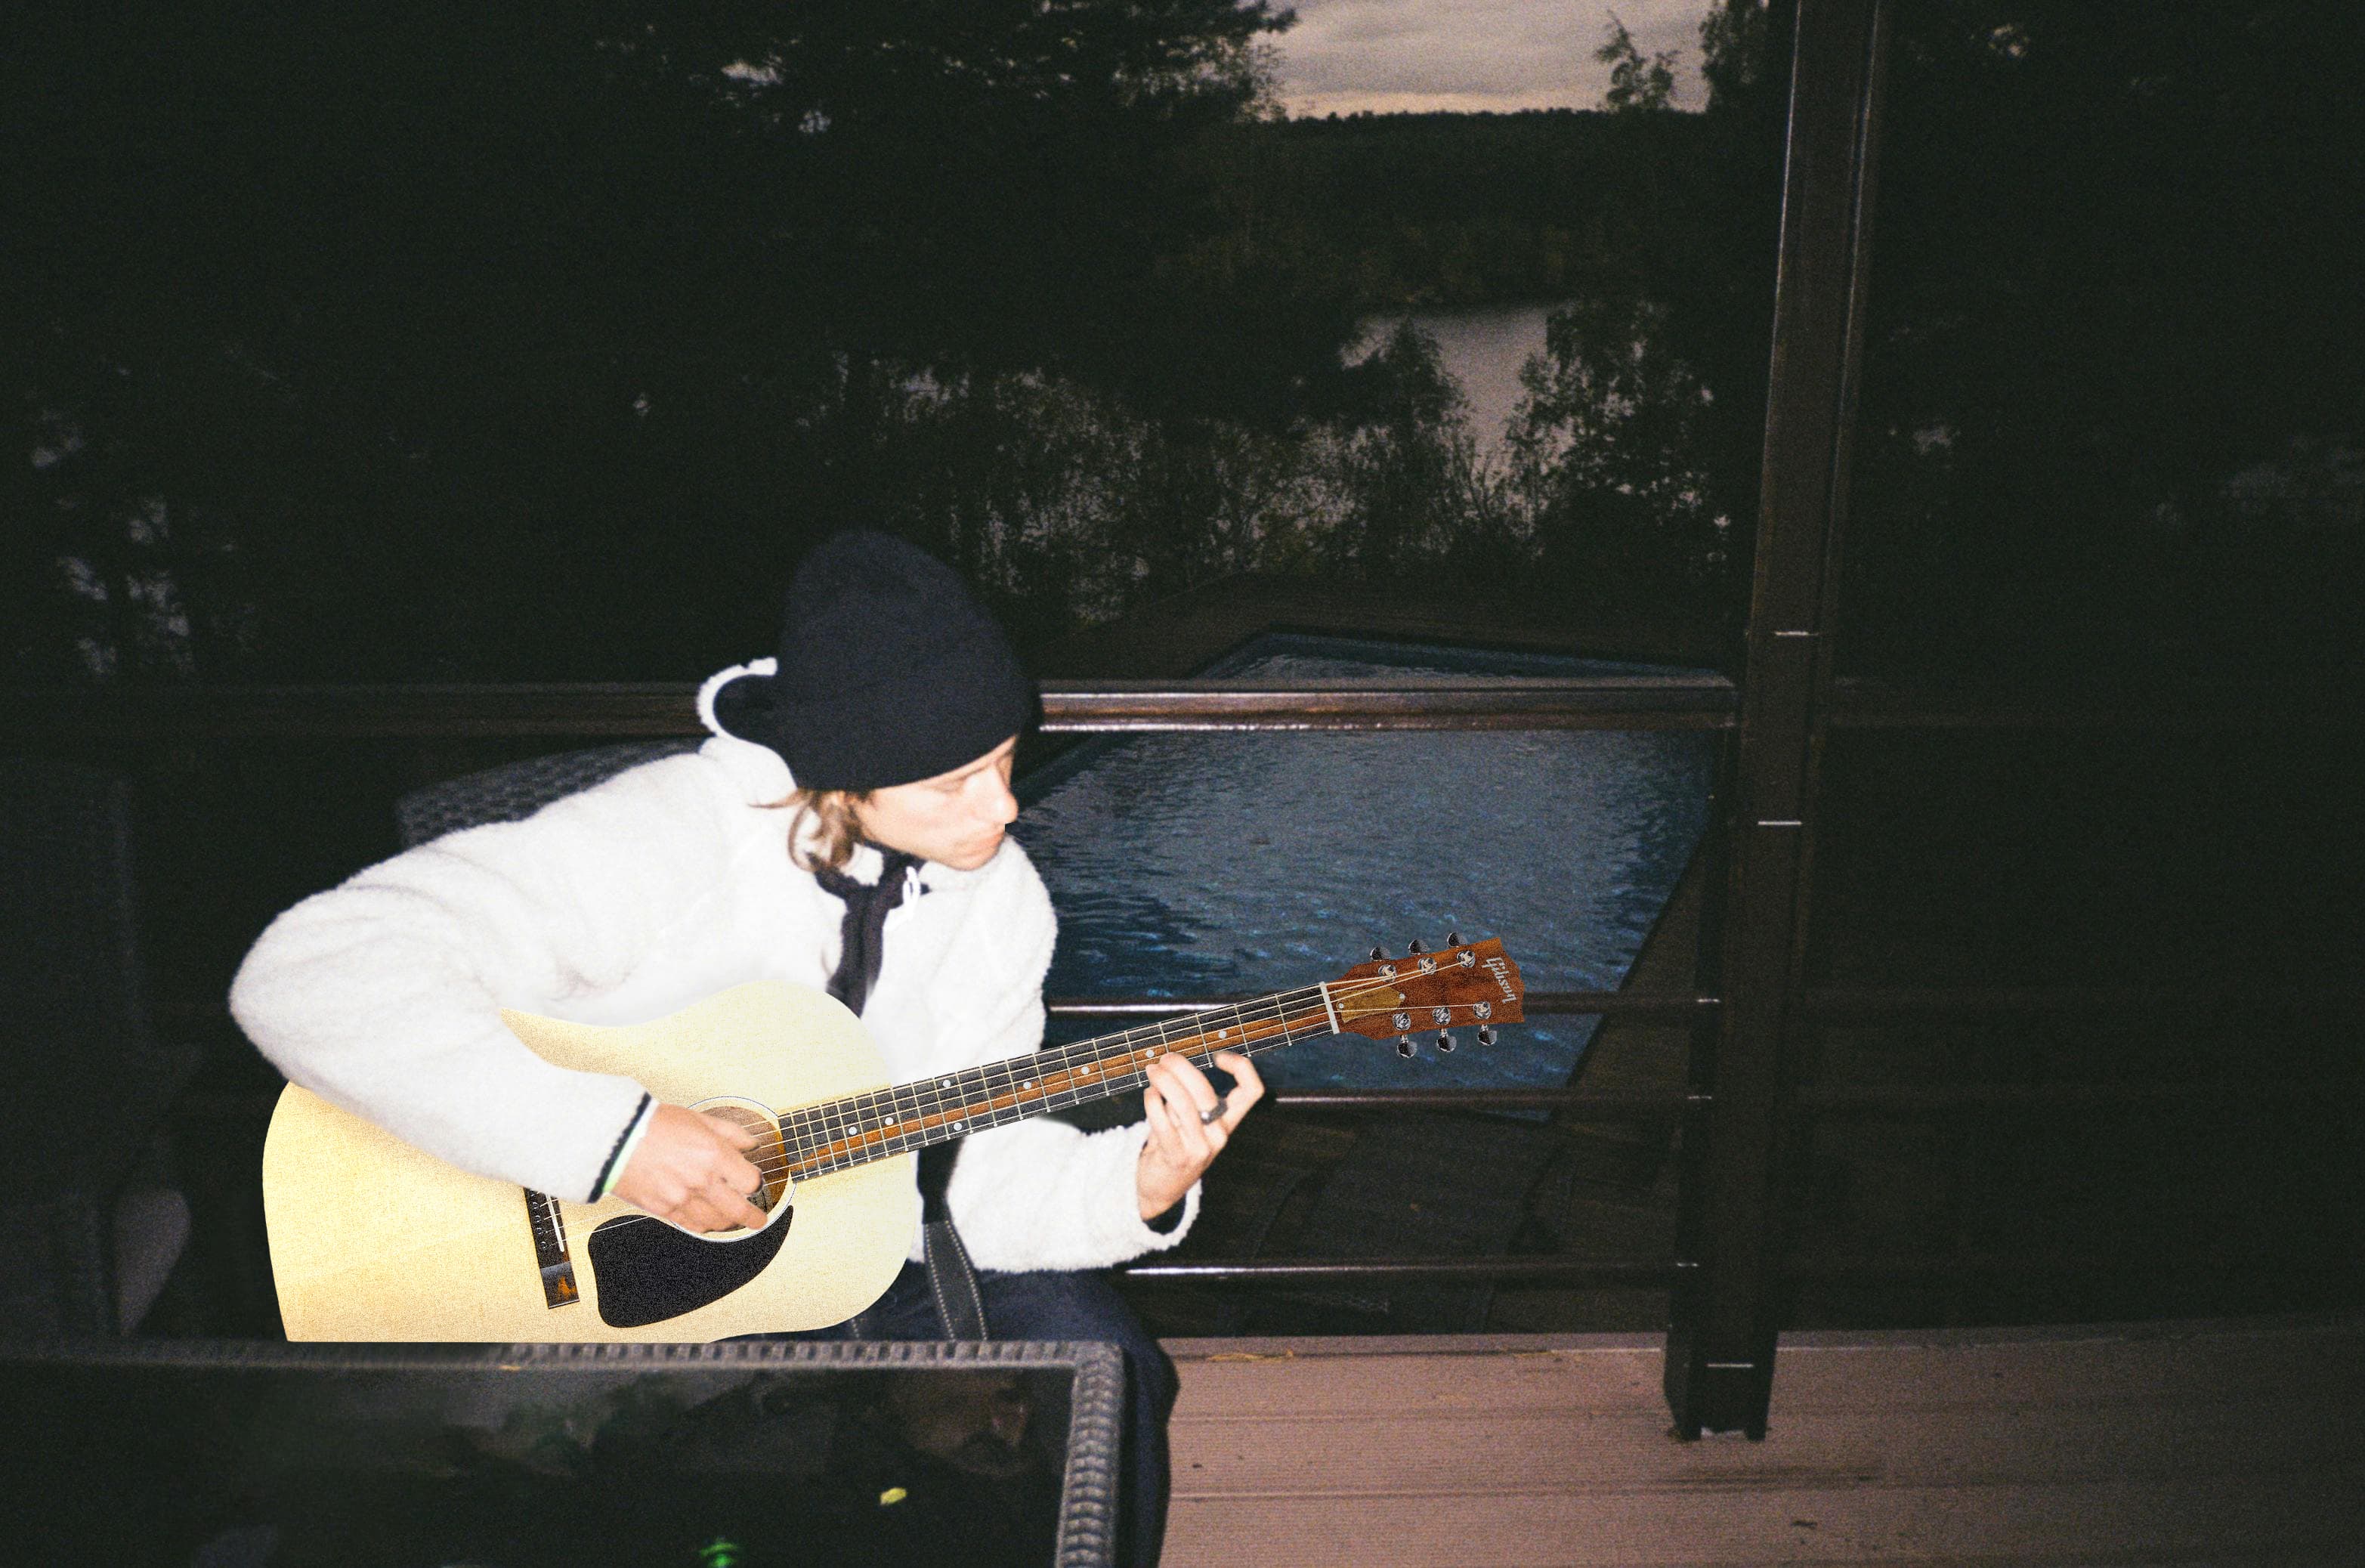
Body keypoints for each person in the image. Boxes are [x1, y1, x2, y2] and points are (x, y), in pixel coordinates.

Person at [229, 529, 1260, 1566]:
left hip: (867, 1260)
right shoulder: (679, 836)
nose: (1001, 807)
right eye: (952, 782)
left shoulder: (1000, 908)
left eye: (1003, 761)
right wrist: (611, 1139)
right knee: (687, 1494)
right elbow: (310, 972)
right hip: (593, 1277)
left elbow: (973, 1171)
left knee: (1102, 1364)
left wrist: (1133, 1181)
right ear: (844, 777)